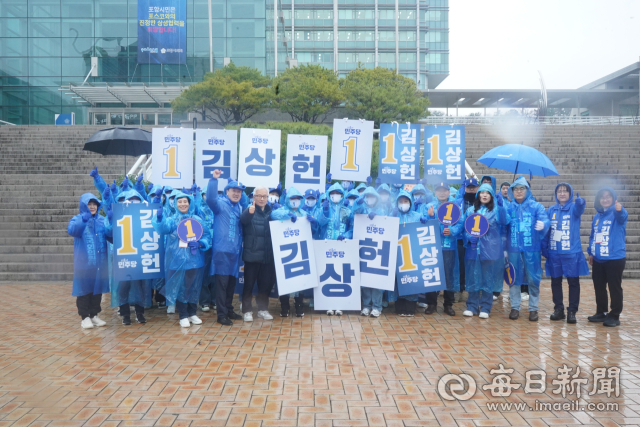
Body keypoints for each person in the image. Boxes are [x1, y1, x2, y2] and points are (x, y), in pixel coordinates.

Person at [153, 191, 212, 328]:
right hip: (176, 261)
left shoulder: (197, 219)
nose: (182, 204)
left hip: (194, 260)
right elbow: (162, 229)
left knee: (193, 287)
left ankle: (192, 313)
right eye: (179, 201)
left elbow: (207, 236)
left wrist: (200, 243)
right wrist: (159, 218)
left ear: (189, 203)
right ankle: (183, 315)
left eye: (185, 201)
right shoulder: (172, 220)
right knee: (180, 288)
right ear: (175, 204)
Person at [452, 183, 507, 319]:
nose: (484, 195)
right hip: (472, 249)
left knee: (487, 278)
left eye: (487, 193)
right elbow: (463, 226)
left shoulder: (495, 211)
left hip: (489, 250)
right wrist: (469, 238)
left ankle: (486, 307)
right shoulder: (471, 210)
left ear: (491, 196)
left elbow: (505, 221)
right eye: (482, 192)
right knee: (472, 278)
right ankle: (472, 306)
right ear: (478, 195)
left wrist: (501, 207)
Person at [543, 183, 589, 324]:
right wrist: (545, 247)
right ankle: (559, 309)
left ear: (570, 194)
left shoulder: (574, 208)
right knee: (555, 282)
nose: (562, 193)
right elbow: (546, 229)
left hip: (571, 253)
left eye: (565, 191)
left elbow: (580, 209)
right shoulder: (551, 210)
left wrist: (581, 203)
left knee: (573, 282)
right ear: (556, 194)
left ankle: (572, 311)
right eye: (559, 191)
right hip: (554, 253)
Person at [207, 170, 249, 325]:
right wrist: (213, 180)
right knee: (222, 285)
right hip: (222, 252)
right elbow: (210, 199)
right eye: (234, 191)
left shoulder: (239, 207)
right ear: (227, 192)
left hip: (235, 252)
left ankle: (229, 309)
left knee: (231, 283)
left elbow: (246, 204)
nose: (237, 194)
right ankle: (221, 314)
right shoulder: (220, 204)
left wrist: (239, 185)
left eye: (239, 192)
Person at [506, 177, 550, 322]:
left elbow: (545, 218)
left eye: (521, 188)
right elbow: (501, 224)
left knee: (533, 277)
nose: (518, 192)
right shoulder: (508, 207)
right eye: (516, 189)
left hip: (532, 247)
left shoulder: (536, 207)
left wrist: (543, 224)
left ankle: (533, 308)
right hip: (513, 248)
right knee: (513, 277)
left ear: (527, 190)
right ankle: (515, 307)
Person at [68, 193, 112, 329]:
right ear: (84, 206)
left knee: (97, 290)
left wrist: (110, 223)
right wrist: (83, 220)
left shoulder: (101, 220)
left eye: (94, 204)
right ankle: (85, 317)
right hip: (84, 263)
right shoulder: (77, 219)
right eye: (89, 204)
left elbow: (111, 237)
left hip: (100, 263)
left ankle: (94, 315)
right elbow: (72, 231)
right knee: (84, 290)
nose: (92, 207)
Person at [111, 189, 153, 325]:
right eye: (131, 200)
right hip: (123, 257)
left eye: (137, 200)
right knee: (124, 285)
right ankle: (125, 314)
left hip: (140, 257)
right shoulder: (119, 215)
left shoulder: (145, 217)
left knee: (140, 286)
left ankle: (140, 313)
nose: (134, 202)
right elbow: (108, 231)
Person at [588, 187, 628, 327]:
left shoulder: (617, 213)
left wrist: (619, 210)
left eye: (608, 196)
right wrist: (591, 252)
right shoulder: (597, 216)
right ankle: (601, 312)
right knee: (599, 286)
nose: (605, 199)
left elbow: (622, 217)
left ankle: (615, 315)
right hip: (599, 258)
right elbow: (593, 236)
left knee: (614, 287)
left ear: (613, 198)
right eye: (602, 197)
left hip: (614, 258)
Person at [270, 187, 310, 317]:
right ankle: (284, 308)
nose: (295, 201)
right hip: (285, 250)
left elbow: (312, 228)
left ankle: (299, 307)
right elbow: (273, 215)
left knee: (300, 280)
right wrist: (288, 215)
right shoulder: (281, 211)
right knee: (284, 279)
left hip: (300, 250)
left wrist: (313, 222)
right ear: (287, 200)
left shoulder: (303, 213)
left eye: (297, 199)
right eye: (292, 198)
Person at [423, 182, 461, 316]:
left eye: (444, 190)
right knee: (431, 273)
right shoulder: (429, 206)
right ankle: (431, 303)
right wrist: (431, 217)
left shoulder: (455, 207)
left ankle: (448, 304)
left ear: (449, 192)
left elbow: (461, 224)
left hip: (449, 246)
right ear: (435, 192)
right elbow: (423, 224)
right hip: (432, 246)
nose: (442, 193)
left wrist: (452, 230)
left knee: (449, 276)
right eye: (439, 190)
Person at [240, 186, 276, 322]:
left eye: (264, 196)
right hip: (252, 255)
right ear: (253, 197)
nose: (262, 198)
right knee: (248, 285)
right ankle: (247, 310)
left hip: (268, 256)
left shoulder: (271, 213)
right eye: (259, 196)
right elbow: (243, 220)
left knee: (265, 284)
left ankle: (262, 309)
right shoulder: (249, 210)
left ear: (268, 198)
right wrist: (249, 213)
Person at [318, 183, 354, 315]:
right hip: (326, 245)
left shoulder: (347, 211)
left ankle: (339, 304)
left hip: (342, 246)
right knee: (327, 273)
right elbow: (319, 224)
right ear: (328, 195)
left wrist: (345, 235)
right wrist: (325, 212)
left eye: (338, 193)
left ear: (342, 195)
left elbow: (352, 228)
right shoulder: (323, 208)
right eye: (332, 193)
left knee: (340, 274)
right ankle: (328, 304)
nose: (335, 196)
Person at [390, 190, 426, 316]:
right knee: (398, 280)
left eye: (406, 201)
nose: (403, 203)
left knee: (411, 279)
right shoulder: (393, 215)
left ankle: (410, 306)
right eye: (401, 201)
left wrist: (426, 221)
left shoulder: (417, 216)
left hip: (412, 253)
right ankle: (399, 306)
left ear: (410, 202)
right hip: (397, 253)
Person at [353, 186, 387, 317]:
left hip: (378, 248)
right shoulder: (361, 209)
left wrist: (378, 217)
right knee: (364, 278)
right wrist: (358, 202)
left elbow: (388, 224)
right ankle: (366, 305)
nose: (370, 199)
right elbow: (353, 214)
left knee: (377, 278)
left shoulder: (382, 209)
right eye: (367, 196)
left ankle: (377, 306)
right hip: (363, 248)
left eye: (372, 196)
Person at [454, 178, 479, 298]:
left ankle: (474, 290)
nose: (471, 189)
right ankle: (459, 289)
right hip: (460, 238)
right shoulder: (457, 202)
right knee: (460, 265)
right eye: (469, 187)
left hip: (477, 240)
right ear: (465, 188)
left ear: (477, 188)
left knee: (475, 265)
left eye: (473, 187)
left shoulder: (481, 202)